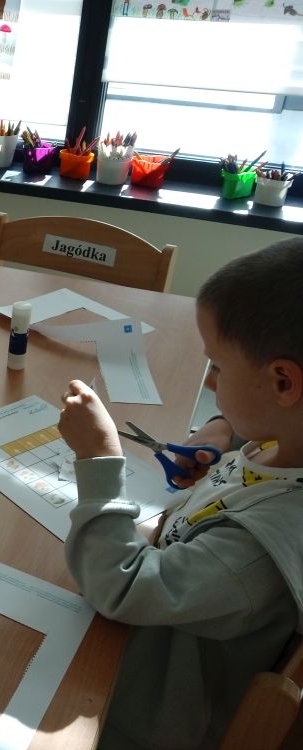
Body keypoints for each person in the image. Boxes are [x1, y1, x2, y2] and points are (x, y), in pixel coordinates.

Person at [58, 236, 303, 749]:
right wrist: (223, 428)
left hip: (135, 714)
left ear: (283, 382)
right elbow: (263, 428)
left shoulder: (255, 551)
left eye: (218, 366)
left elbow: (119, 589)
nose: (209, 382)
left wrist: (99, 459)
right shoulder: (282, 445)